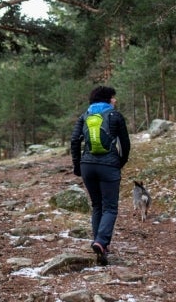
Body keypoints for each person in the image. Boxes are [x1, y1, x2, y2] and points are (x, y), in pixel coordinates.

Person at [70, 85, 131, 266]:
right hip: (109, 165)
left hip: (87, 165)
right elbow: (125, 144)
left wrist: (77, 165)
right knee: (110, 207)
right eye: (113, 97)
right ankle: (101, 242)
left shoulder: (85, 116)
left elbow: (74, 141)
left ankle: (100, 246)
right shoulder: (115, 116)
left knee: (97, 205)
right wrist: (120, 162)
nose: (115, 100)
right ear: (106, 99)